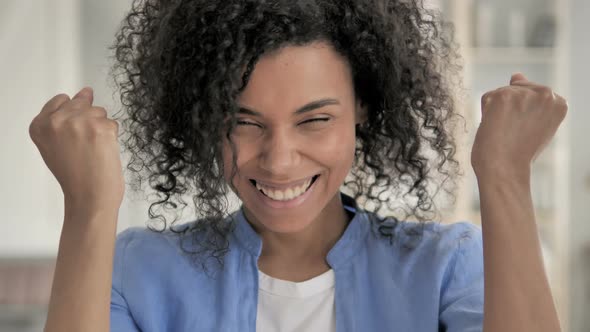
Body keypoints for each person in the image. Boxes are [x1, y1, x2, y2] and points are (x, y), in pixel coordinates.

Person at [29, 0, 567, 331]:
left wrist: (506, 177)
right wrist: (88, 208)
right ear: (203, 119)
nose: (280, 161)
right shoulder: (137, 271)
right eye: (244, 122)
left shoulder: (447, 268)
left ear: (363, 109)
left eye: (314, 120)